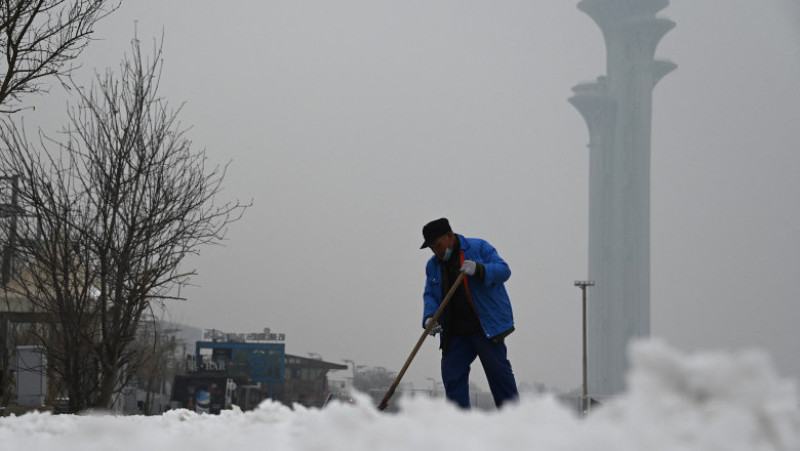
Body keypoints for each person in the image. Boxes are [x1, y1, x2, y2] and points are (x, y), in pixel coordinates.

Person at [419, 217, 519, 409]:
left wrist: (480, 269)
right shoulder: (433, 266)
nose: (436, 252)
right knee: (452, 376)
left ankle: (514, 421)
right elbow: (430, 294)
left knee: (499, 374)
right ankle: (461, 426)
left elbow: (504, 271)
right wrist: (430, 316)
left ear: (449, 236)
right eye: (432, 248)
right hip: (455, 333)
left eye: (438, 245)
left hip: (485, 328)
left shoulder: (479, 248)